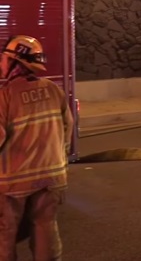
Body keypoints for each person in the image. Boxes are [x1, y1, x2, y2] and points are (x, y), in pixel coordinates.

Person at [0, 35, 74, 261]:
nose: (1, 63)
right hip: (52, 177)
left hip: (13, 181)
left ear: (15, 62)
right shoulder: (53, 90)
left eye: (4, 59)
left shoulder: (6, 95)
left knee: (5, 233)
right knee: (45, 226)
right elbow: (67, 128)